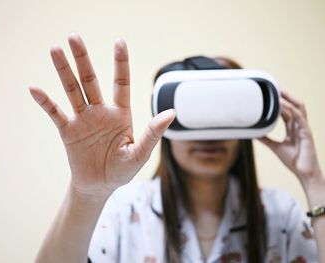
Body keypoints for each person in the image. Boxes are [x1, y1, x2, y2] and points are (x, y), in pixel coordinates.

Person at [29, 33, 325, 263]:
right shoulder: (126, 211)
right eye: (194, 110)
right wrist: (87, 194)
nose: (208, 134)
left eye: (223, 111)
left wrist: (313, 181)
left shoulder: (278, 213)